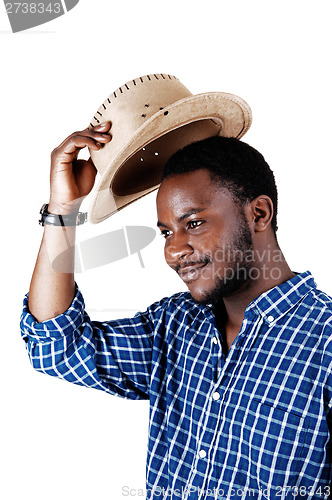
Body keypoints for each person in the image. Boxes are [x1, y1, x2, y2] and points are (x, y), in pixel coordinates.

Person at [21, 122, 332, 500]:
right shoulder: (175, 326)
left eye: (194, 223)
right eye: (167, 232)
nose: (173, 251)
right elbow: (55, 346)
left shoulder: (325, 344)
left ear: (260, 214)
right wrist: (63, 209)